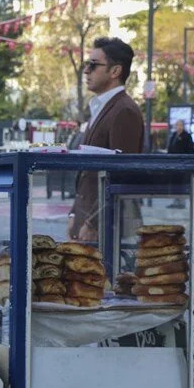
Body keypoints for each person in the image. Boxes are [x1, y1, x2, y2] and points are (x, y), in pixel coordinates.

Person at [68, 37, 144, 242]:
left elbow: (121, 175)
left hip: (108, 227)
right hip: (89, 222)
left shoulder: (124, 110)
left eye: (93, 65)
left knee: (107, 275)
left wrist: (93, 223)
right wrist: (75, 214)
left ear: (115, 71)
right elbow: (88, 171)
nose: (86, 70)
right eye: (86, 64)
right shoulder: (101, 107)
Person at [166, 119, 194, 208]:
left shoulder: (187, 136)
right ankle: (175, 201)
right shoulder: (174, 135)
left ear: (183, 126)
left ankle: (181, 202)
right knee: (175, 183)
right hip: (173, 164)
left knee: (182, 183)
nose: (178, 126)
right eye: (177, 125)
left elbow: (190, 150)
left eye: (180, 125)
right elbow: (170, 148)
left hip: (182, 164)